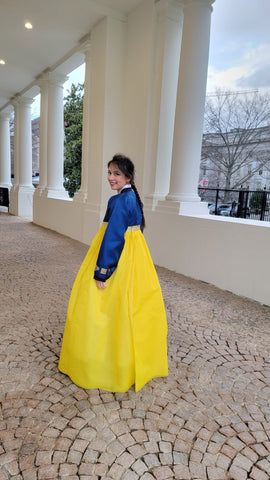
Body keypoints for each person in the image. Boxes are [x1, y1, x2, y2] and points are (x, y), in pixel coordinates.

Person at [58, 154, 168, 392]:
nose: (111, 177)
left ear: (128, 176)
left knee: (101, 306)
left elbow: (114, 238)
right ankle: (130, 360)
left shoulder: (119, 201)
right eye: (109, 172)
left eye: (116, 173)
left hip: (119, 257)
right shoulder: (131, 199)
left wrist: (102, 271)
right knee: (132, 306)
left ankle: (104, 362)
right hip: (136, 257)